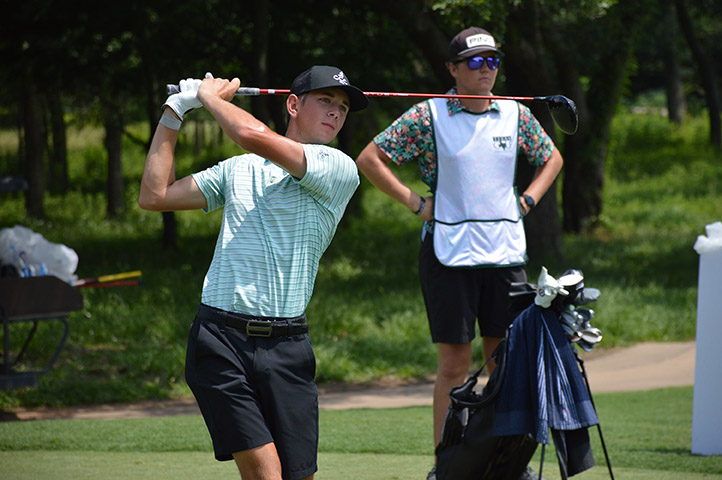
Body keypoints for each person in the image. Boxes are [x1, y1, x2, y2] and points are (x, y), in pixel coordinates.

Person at [139, 65, 368, 480]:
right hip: (220, 341)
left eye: (343, 108)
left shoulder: (338, 168)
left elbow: (251, 134)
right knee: (265, 474)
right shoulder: (237, 170)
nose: (336, 113)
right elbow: (155, 196)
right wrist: (173, 112)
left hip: (289, 346)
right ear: (294, 104)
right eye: (326, 101)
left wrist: (208, 98)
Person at [355, 27, 563, 480]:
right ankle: (446, 465)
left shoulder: (514, 113)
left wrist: (526, 201)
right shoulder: (429, 115)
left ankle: (506, 462)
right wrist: (415, 203)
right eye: (475, 61)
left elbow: (552, 157)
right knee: (455, 363)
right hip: (448, 253)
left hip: (505, 253)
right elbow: (370, 158)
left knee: (505, 362)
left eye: (492, 61)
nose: (486, 69)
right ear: (452, 69)